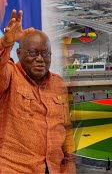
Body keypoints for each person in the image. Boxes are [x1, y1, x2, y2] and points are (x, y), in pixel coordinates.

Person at [0, 10, 75, 173]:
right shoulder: (10, 75)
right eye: (33, 53)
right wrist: (5, 44)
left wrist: (69, 167)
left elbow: (66, 130)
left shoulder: (59, 84)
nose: (40, 59)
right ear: (19, 54)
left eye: (45, 54)